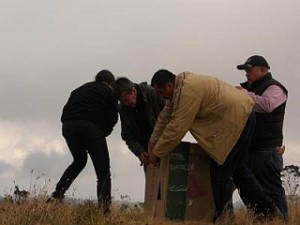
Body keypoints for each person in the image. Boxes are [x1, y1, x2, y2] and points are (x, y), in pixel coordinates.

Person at [148, 69, 277, 223]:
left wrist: (157, 154)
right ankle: (268, 211)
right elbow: (165, 117)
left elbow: (177, 128)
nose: (161, 96)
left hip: (237, 120)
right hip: (243, 115)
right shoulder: (180, 89)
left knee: (220, 173)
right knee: (239, 171)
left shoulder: (188, 92)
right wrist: (152, 141)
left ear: (169, 86)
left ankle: (225, 217)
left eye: (160, 92)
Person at [49, 70, 118, 214]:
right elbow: (113, 118)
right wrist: (102, 133)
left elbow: (66, 111)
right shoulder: (109, 92)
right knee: (103, 172)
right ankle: (104, 210)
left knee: (79, 161)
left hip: (68, 126)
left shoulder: (79, 89)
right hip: (90, 127)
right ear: (111, 83)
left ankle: (57, 195)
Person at [236, 55, 288, 221]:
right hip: (250, 149)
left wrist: (244, 95)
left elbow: (267, 105)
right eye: (245, 70)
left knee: (271, 189)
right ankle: (264, 220)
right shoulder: (249, 88)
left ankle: (280, 221)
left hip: (267, 150)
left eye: (250, 70)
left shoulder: (275, 88)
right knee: (249, 189)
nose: (246, 74)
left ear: (263, 70)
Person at [113, 77, 165, 170]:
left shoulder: (152, 93)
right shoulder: (124, 110)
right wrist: (139, 152)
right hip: (148, 154)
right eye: (123, 101)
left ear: (133, 91)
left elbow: (170, 116)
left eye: (126, 100)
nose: (126, 103)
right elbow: (128, 135)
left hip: (165, 145)